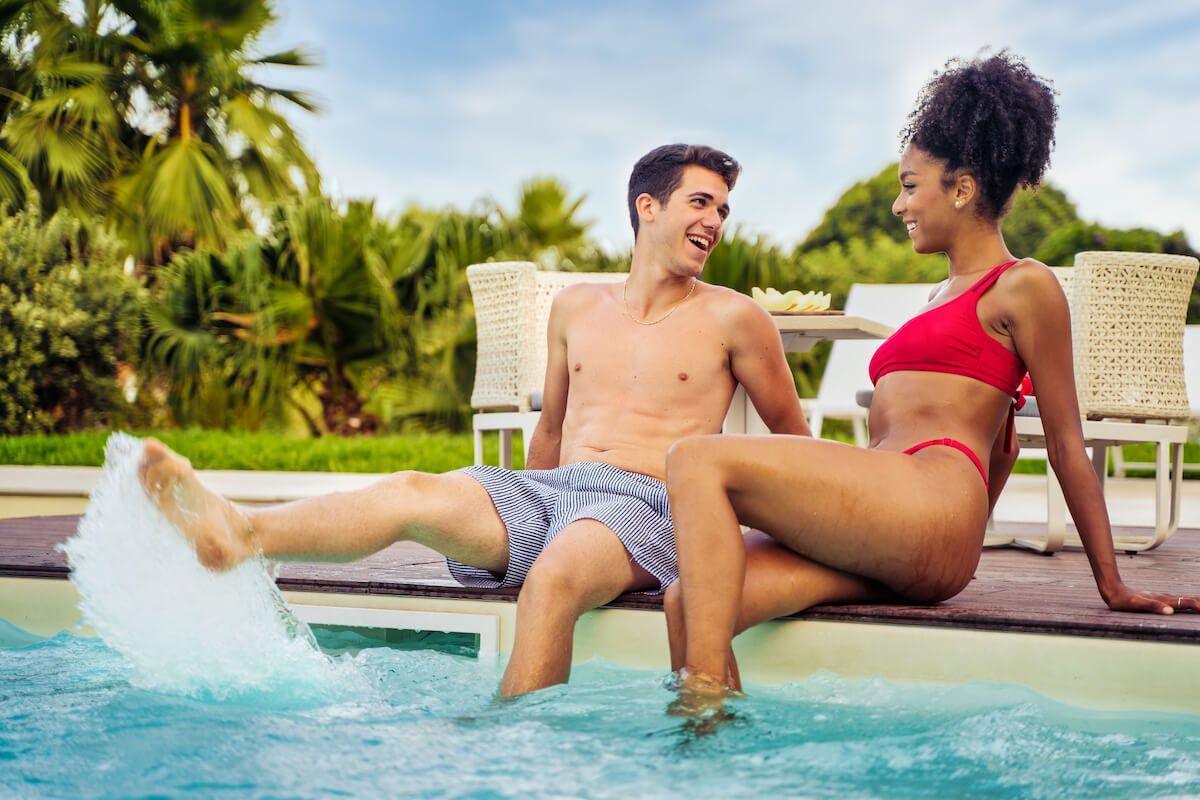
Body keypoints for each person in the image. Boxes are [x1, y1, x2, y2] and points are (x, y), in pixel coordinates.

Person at [137, 143, 811, 697]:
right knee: (410, 490)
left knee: (552, 581)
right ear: (648, 206)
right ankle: (241, 533)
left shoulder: (734, 317)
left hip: (648, 503)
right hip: (553, 494)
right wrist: (529, 510)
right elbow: (548, 430)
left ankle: (504, 756)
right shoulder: (576, 307)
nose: (715, 221)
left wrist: (754, 547)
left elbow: (794, 443)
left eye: (722, 209)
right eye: (701, 202)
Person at [663, 52, 1199, 705]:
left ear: (963, 188)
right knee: (685, 601)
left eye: (911, 186)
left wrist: (1111, 584)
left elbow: (1062, 443)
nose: (898, 204)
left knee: (694, 460)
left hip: (931, 506)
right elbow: (998, 444)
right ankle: (725, 755)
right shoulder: (939, 296)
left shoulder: (1024, 286)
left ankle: (698, 716)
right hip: (894, 521)